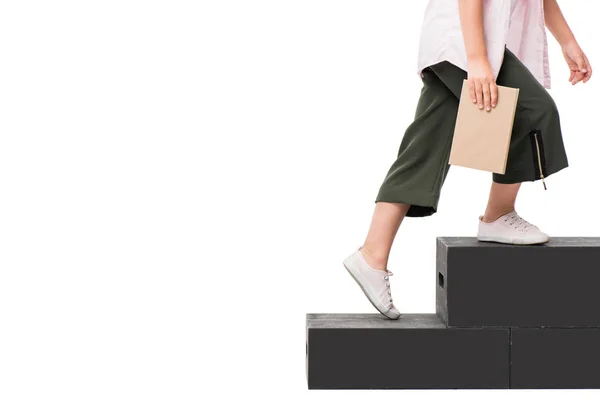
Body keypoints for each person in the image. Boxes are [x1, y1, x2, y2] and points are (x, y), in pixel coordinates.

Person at [343, 0, 592, 320]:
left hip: (466, 43)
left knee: (427, 145)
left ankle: (372, 254)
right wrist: (476, 59)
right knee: (532, 112)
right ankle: (497, 215)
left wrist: (568, 43)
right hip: (462, 41)